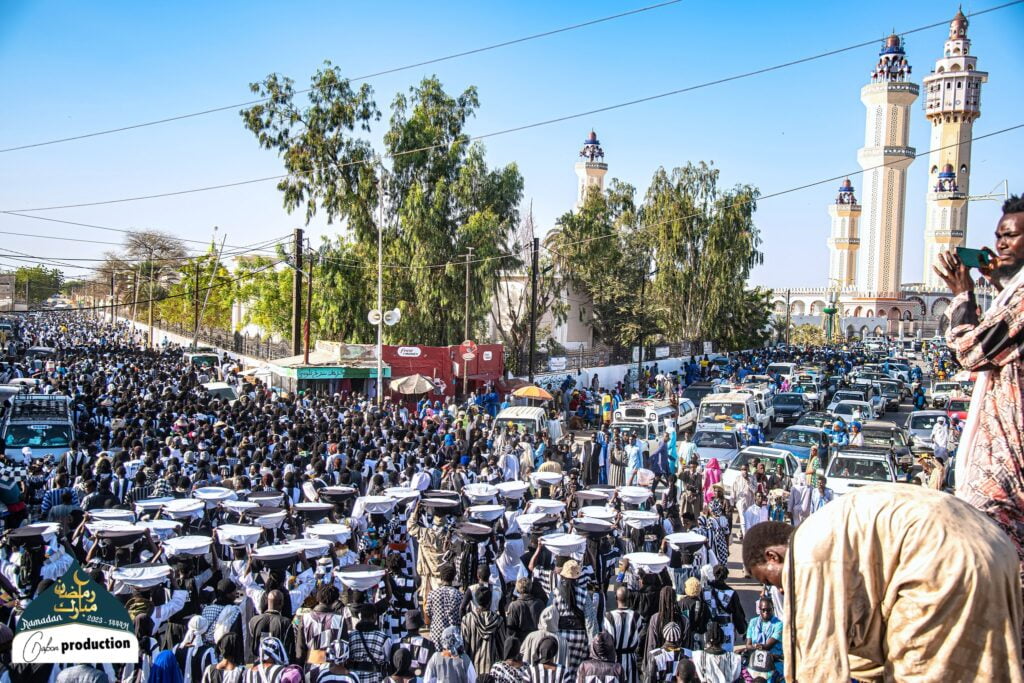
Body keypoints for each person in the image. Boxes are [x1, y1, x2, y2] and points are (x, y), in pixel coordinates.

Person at [741, 485, 1023, 681]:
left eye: (769, 579)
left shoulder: (806, 554)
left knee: (918, 670)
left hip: (942, 560)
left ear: (773, 556)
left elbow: (816, 659)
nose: (778, 590)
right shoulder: (830, 526)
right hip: (995, 545)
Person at [934, 196, 1024, 572]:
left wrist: (960, 294)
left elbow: (971, 352)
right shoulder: (1012, 294)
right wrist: (993, 279)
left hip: (1008, 467)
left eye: (1011, 236)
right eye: (999, 236)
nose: (1001, 244)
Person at [460, 586, 506, 676]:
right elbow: (502, 647)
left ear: (476, 601)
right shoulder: (498, 620)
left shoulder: (467, 619)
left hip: (472, 669)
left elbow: (464, 646)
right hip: (491, 669)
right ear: (490, 601)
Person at [603, 587, 642, 683]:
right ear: (629, 598)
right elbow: (640, 638)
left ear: (616, 597)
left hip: (614, 660)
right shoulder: (636, 617)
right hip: (631, 660)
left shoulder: (609, 617)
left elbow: (606, 640)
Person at [742, 599, 782, 682]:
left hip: (773, 662)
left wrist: (755, 646)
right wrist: (757, 647)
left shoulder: (779, 624)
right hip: (754, 662)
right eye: (763, 610)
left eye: (769, 610)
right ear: (759, 609)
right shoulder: (753, 622)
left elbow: (767, 646)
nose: (766, 612)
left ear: (773, 609)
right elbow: (748, 645)